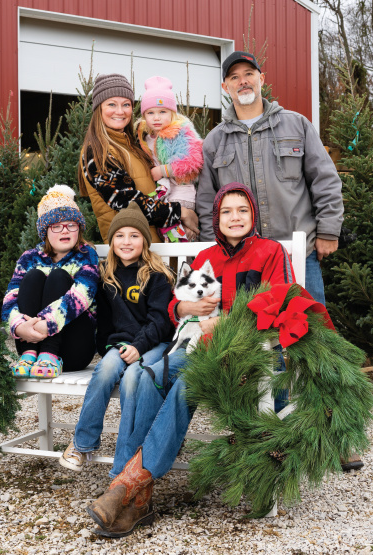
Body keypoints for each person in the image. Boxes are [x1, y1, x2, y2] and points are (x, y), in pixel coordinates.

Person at [86, 183, 294, 538]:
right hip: (199, 346)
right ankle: (134, 498)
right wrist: (184, 307)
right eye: (226, 211)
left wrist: (224, 320)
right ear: (217, 217)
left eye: (242, 210)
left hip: (248, 353)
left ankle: (125, 486)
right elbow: (174, 306)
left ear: (253, 215)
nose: (234, 218)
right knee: (149, 375)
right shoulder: (206, 258)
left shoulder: (270, 252)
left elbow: (280, 305)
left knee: (186, 384)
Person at [195, 51, 343, 307]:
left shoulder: (297, 125)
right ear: (225, 86)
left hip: (298, 251)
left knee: (311, 331)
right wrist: (214, 249)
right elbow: (207, 200)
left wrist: (329, 229)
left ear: (261, 79)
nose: (243, 81)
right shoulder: (215, 140)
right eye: (234, 77)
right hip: (242, 261)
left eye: (249, 74)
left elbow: (325, 179)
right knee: (251, 338)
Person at [59, 203, 175, 472]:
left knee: (133, 379)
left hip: (154, 344)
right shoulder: (106, 277)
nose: (126, 241)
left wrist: (138, 347)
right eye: (120, 235)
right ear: (111, 242)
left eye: (134, 235)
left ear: (144, 241)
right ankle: (83, 444)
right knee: (107, 368)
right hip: (121, 345)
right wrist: (108, 349)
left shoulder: (156, 276)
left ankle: (129, 458)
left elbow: (159, 321)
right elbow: (104, 322)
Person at [78, 73, 200, 243]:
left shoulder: (133, 146)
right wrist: (181, 212)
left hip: (154, 249)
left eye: (126, 104)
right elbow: (126, 202)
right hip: (129, 253)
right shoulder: (97, 151)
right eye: (112, 104)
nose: (120, 111)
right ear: (99, 109)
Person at [2, 184, 99, 379]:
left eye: (71, 224)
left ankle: (50, 353)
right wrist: (20, 327)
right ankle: (29, 353)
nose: (65, 230)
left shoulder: (86, 255)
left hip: (74, 348)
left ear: (78, 228)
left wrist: (47, 323)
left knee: (58, 276)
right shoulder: (29, 258)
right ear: (45, 230)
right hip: (32, 346)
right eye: (56, 225)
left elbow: (83, 294)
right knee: (33, 276)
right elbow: (10, 298)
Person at [135, 75, 204, 242]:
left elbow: (193, 162)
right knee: (167, 238)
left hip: (181, 194)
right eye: (150, 112)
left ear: (172, 113)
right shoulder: (145, 138)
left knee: (182, 236)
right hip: (163, 196)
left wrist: (163, 170)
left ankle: (186, 266)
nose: (156, 117)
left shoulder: (180, 133)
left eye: (162, 112)